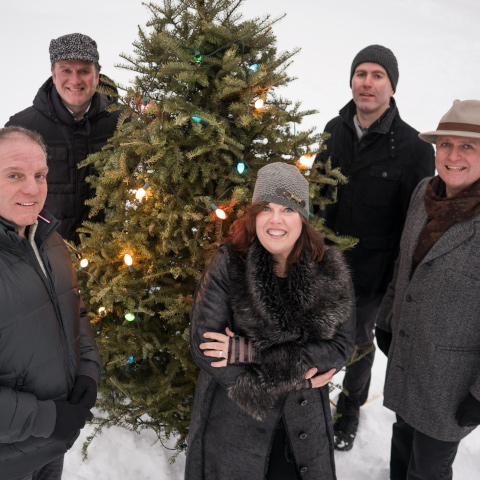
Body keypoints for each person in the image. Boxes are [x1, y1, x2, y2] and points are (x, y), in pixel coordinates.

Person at [185, 162, 356, 480]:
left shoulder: (328, 269)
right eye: (266, 208)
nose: (276, 220)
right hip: (235, 420)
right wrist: (298, 377)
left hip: (302, 422)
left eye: (288, 209)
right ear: (254, 216)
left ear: (303, 218)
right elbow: (204, 345)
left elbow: (340, 346)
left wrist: (247, 351)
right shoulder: (227, 263)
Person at [314, 44, 435, 450]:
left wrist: (396, 284)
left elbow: (414, 224)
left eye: (377, 75)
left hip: (372, 276)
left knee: (357, 345)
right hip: (323, 264)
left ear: (392, 87)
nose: (367, 83)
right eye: (361, 73)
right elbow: (316, 197)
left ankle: (349, 411)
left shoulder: (416, 149)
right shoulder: (333, 129)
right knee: (317, 334)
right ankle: (312, 402)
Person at [375, 99, 480, 480]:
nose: (453, 155)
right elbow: (404, 263)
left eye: (467, 146)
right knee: (402, 447)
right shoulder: (424, 192)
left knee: (428, 470)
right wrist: (386, 319)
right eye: (445, 145)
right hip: (409, 359)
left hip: (452, 382)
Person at [0, 126, 102, 480]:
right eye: (15, 175)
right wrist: (48, 419)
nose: (32, 188)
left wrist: (88, 370)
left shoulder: (47, 236)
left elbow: (76, 309)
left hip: (50, 448)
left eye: (40, 175)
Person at [6, 33, 122, 243]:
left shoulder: (122, 121)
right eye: (66, 71)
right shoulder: (23, 127)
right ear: (53, 74)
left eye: (84, 71)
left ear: (97, 76)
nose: (75, 80)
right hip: (45, 251)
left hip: (114, 254)